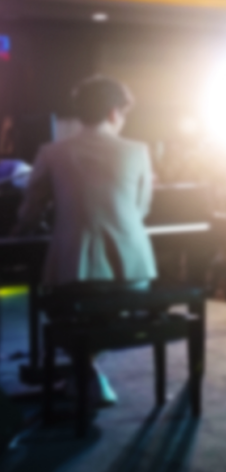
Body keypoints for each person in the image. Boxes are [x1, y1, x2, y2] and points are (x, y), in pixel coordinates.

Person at [16, 76, 157, 407]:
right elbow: (141, 209)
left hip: (75, 275)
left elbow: (31, 212)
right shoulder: (138, 151)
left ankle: (84, 371)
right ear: (113, 113)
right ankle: (88, 372)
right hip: (133, 277)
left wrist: (25, 226)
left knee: (56, 304)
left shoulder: (51, 153)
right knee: (101, 308)